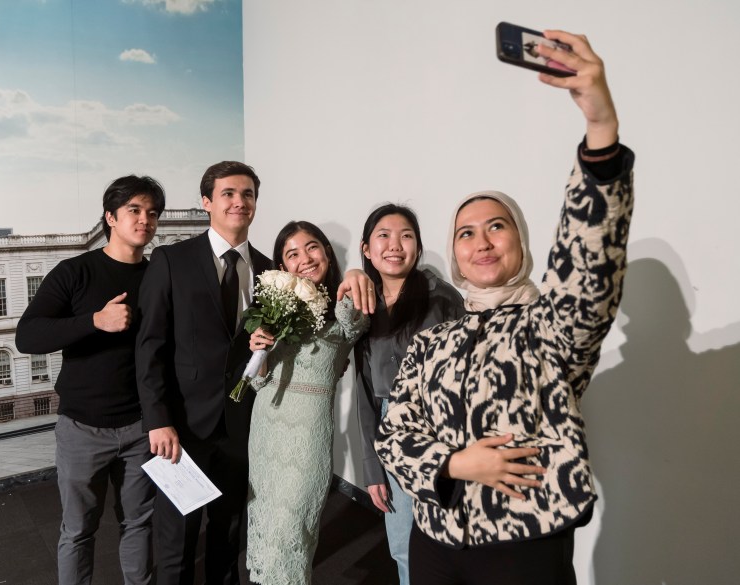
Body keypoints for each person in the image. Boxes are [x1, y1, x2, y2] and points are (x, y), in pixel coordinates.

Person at [375, 30, 634, 585]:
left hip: (526, 543)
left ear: (520, 241)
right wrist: (455, 464)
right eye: (466, 233)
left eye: (497, 226)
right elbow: (393, 435)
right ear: (456, 255)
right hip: (436, 539)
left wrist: (600, 131)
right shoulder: (432, 341)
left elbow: (588, 264)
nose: (482, 241)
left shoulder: (554, 325)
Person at [16, 175, 165, 585]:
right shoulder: (75, 272)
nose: (144, 220)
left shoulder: (159, 276)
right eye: (134, 210)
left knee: (139, 524)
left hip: (141, 427)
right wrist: (95, 321)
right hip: (83, 427)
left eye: (152, 213)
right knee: (78, 530)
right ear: (110, 218)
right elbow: (27, 335)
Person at [135, 161, 271, 585]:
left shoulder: (269, 272)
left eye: (247, 194)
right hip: (182, 428)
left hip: (241, 427)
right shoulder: (171, 260)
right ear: (207, 202)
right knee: (177, 543)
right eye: (228, 193)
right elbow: (150, 346)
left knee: (228, 538)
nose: (239, 202)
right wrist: (158, 419)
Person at [245, 221, 370, 585]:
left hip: (308, 437)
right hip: (266, 424)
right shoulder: (274, 309)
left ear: (327, 253)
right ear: (283, 267)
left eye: (312, 247)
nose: (305, 259)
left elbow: (357, 315)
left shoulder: (344, 309)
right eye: (293, 254)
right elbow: (257, 382)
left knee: (293, 528)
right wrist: (259, 351)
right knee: (267, 523)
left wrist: (356, 271)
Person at [353, 204, 464, 585]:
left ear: (417, 246)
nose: (395, 245)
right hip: (389, 429)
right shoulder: (362, 308)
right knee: (402, 545)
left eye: (406, 235)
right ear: (367, 248)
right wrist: (372, 468)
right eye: (383, 235)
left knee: (447, 542)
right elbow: (366, 394)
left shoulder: (443, 298)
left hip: (441, 429)